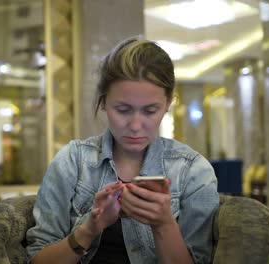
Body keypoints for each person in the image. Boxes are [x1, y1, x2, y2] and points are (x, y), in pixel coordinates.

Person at [26, 36, 219, 264]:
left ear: (167, 104)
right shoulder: (73, 162)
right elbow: (37, 259)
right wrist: (89, 229)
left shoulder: (193, 172)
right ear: (104, 102)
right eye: (123, 109)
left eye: (150, 111)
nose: (136, 126)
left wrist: (164, 224)